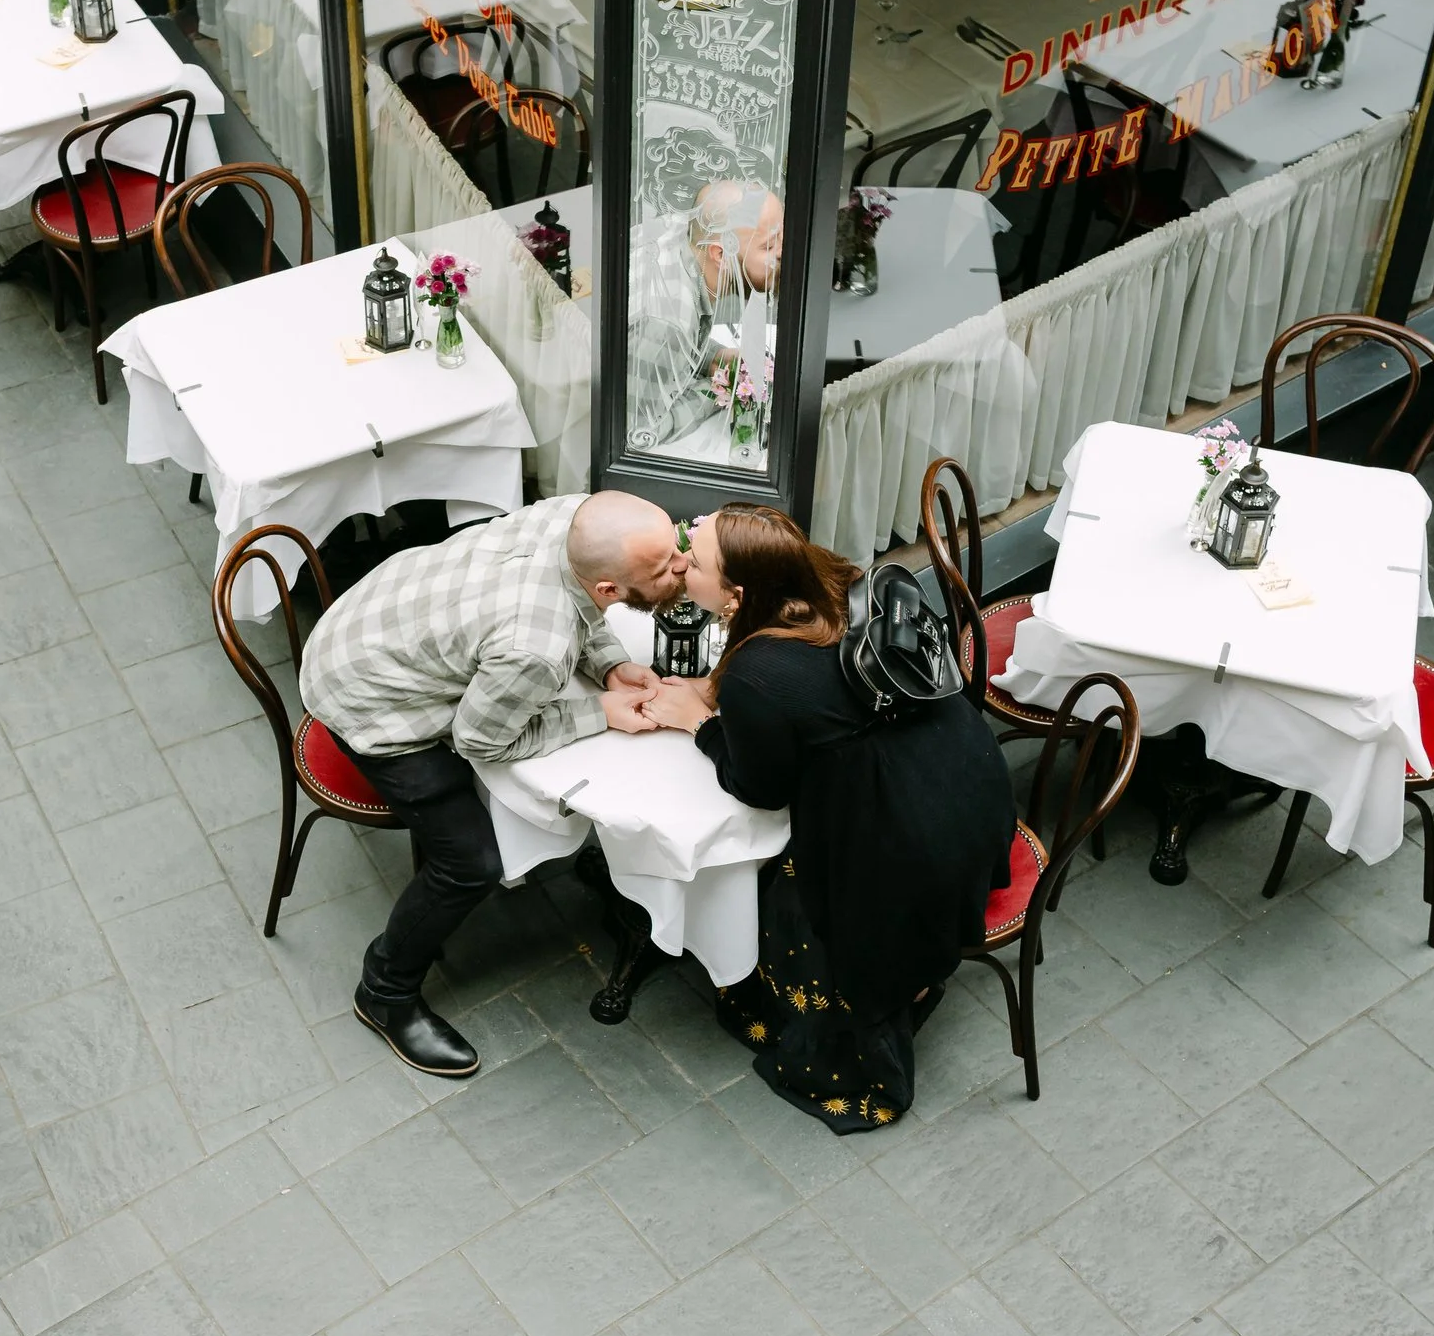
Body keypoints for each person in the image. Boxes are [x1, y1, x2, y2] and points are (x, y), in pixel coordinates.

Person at [643, 505, 1015, 1131]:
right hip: (972, 787)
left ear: (735, 595)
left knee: (787, 895)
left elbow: (758, 788)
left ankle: (857, 1005)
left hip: (907, 847)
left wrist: (699, 722)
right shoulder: (835, 580)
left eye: (694, 559)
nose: (680, 564)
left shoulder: (758, 674)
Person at [301, 492, 691, 1076]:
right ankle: (384, 992)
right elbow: (481, 741)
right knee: (470, 862)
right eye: (663, 570)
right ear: (610, 589)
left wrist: (607, 663)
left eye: (676, 550)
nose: (682, 566)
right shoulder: (538, 647)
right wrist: (602, 712)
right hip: (368, 703)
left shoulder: (577, 518)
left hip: (370, 621)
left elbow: (581, 599)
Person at [625, 178, 784, 450]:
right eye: (768, 247)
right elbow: (639, 432)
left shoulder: (679, 230)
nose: (783, 253)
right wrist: (720, 388)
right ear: (720, 254)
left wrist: (715, 356)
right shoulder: (667, 324)